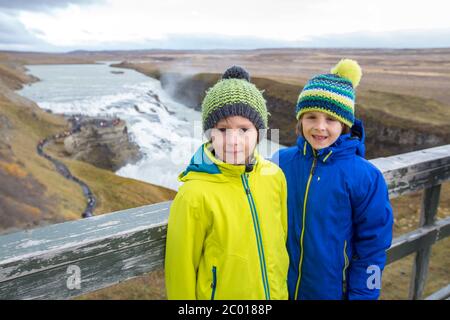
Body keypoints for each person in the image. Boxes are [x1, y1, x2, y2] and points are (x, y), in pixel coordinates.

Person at [272, 59, 393, 300]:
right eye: (311, 117)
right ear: (300, 120)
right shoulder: (279, 162)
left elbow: (373, 248)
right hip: (278, 290)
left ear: (345, 123)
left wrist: (364, 296)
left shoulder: (366, 177)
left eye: (331, 119)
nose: (320, 127)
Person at [165, 66, 289, 300]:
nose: (233, 140)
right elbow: (179, 272)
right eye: (222, 129)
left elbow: (279, 242)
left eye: (244, 129)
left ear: (259, 133)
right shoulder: (193, 194)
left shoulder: (275, 177)